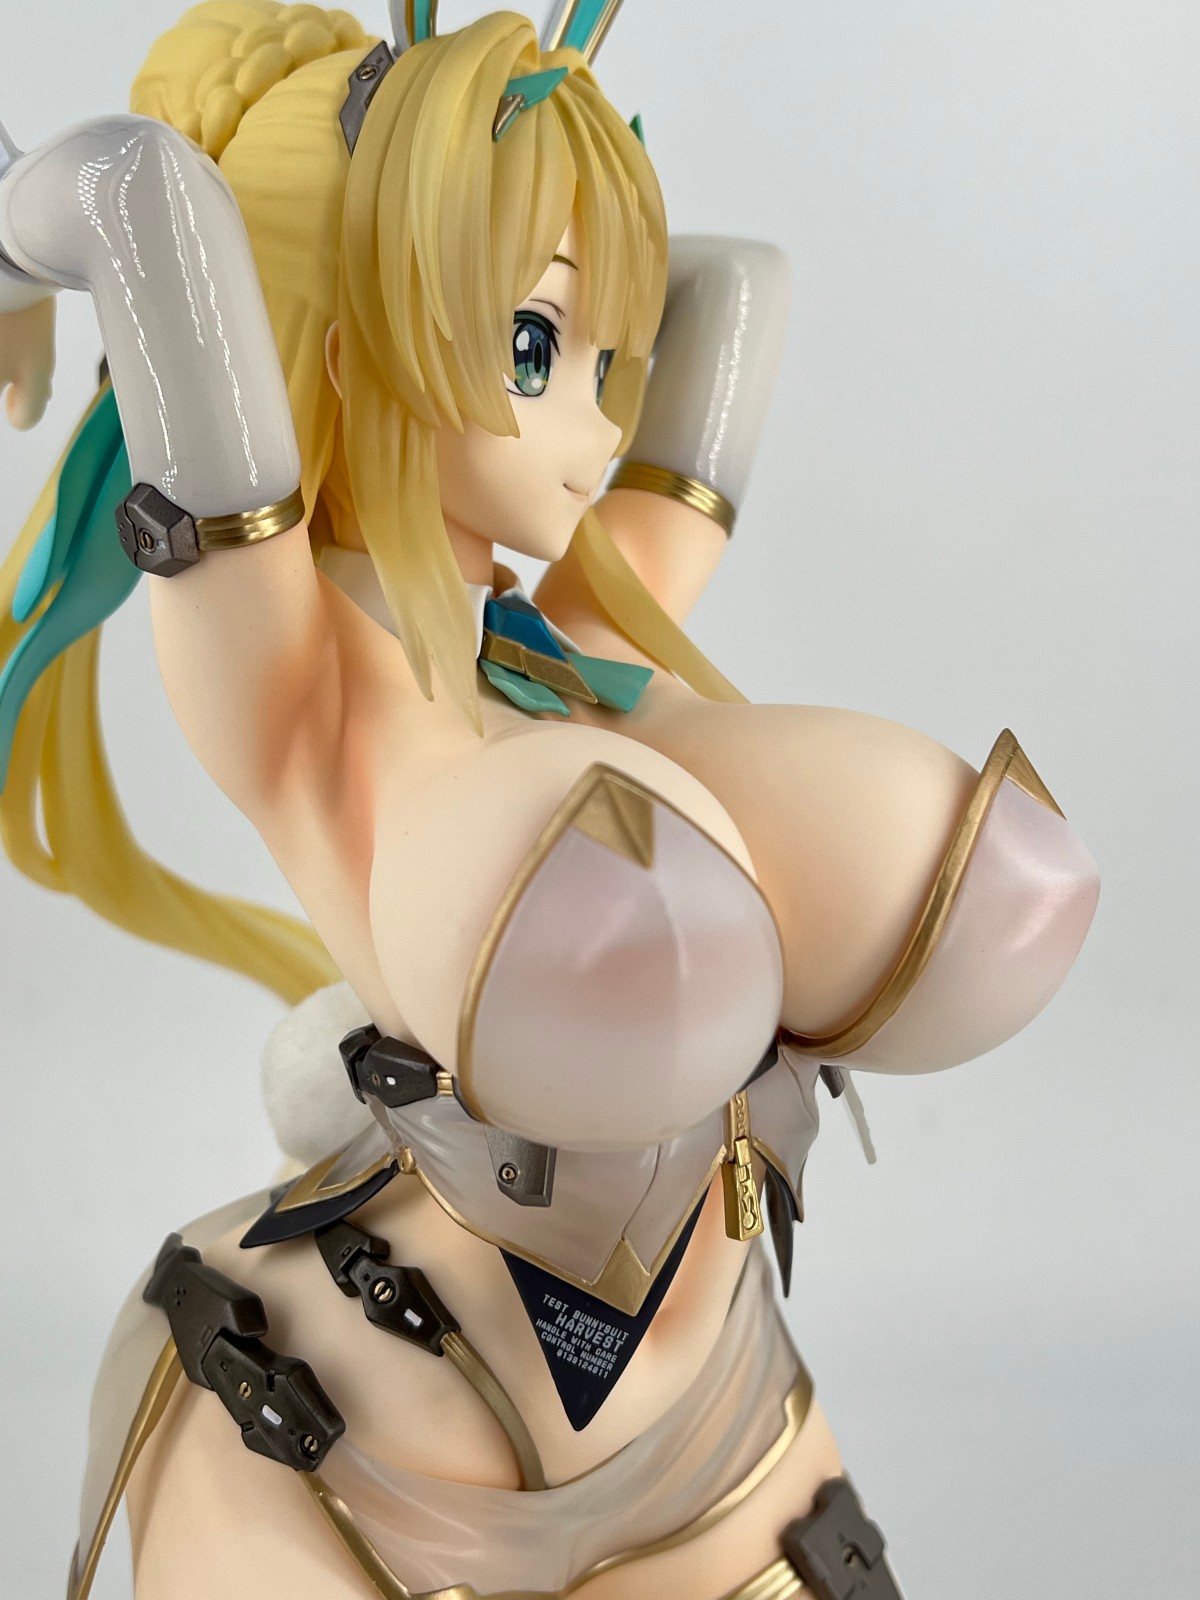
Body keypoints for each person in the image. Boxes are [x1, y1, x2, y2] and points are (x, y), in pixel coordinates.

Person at [0, 4, 1099, 1597]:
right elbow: (139, 190)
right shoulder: (300, 686)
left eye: (609, 364)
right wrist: (21, 249)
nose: (597, 428)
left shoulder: (584, 633)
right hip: (367, 1435)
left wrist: (526, 146)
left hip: (722, 1421)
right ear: (352, 336)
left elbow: (740, 281)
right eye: (533, 348)